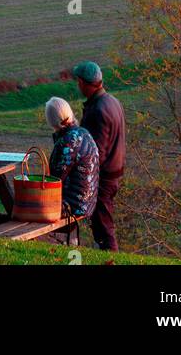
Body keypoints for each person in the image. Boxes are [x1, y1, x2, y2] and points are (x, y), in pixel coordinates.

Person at [67, 60, 126, 251]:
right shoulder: (112, 102)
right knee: (102, 222)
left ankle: (111, 257)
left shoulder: (98, 110)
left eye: (78, 81)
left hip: (103, 178)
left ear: (84, 83)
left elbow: (95, 153)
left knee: (103, 226)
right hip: (114, 173)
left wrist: (82, 177)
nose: (78, 85)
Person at [45, 96, 99, 227]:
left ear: (52, 121)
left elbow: (54, 180)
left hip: (73, 205)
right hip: (89, 202)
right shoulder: (83, 132)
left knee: (29, 203)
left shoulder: (67, 142)